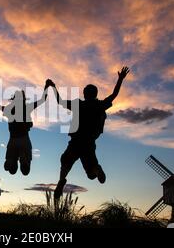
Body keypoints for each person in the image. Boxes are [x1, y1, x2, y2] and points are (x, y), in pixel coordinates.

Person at [50, 67, 130, 199]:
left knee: (65, 161)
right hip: (89, 143)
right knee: (91, 174)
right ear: (95, 94)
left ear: (85, 94)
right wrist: (120, 79)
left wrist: (53, 87)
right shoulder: (100, 105)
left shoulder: (78, 105)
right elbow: (114, 95)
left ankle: (61, 180)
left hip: (76, 142)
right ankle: (96, 169)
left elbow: (60, 101)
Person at [0, 80, 52, 176]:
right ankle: (23, 159)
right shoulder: (27, 107)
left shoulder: (9, 109)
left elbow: (0, 107)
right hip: (24, 139)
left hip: (13, 140)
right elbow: (42, 100)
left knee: (12, 171)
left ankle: (11, 160)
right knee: (24, 171)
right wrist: (46, 87)